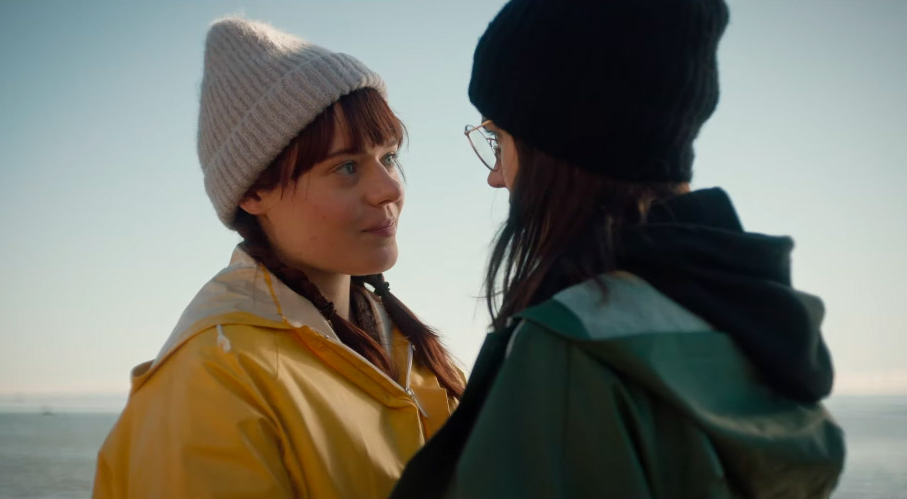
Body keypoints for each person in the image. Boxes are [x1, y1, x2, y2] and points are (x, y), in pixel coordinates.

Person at [391, 0, 845, 497]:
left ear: (562, 148)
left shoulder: (571, 356)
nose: (495, 177)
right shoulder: (748, 326)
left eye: (497, 140)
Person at [93, 17, 464, 498]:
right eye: (346, 167)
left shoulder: (408, 352)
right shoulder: (214, 380)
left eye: (389, 157)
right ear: (254, 194)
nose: (389, 189)